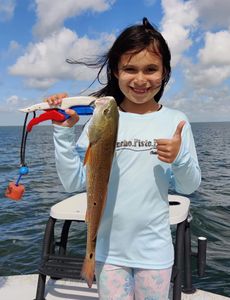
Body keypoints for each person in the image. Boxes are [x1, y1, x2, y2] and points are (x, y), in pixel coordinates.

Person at [47, 17, 201, 300]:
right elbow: (73, 182)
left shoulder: (176, 121)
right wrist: (63, 133)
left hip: (154, 252)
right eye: (130, 69)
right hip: (108, 253)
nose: (140, 79)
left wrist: (179, 158)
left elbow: (190, 186)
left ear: (165, 72)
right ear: (116, 72)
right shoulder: (103, 117)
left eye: (151, 69)